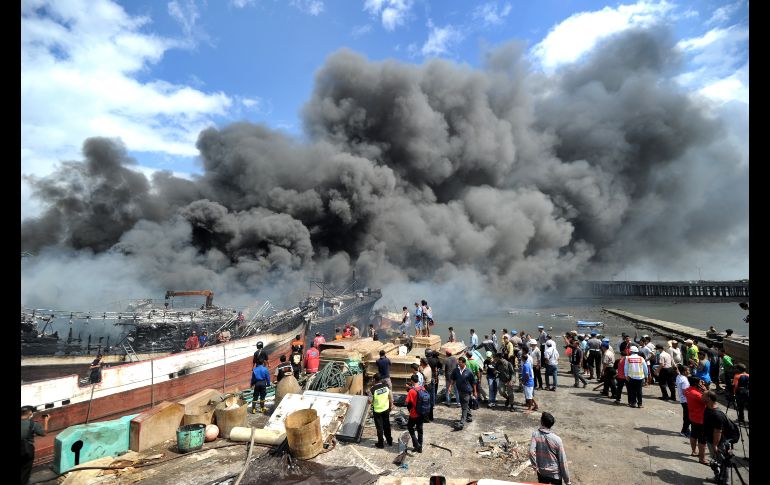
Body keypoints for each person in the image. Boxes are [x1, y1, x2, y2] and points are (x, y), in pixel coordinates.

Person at [529, 412, 572, 485]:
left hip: (542, 473)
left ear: (541, 422)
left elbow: (531, 452)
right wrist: (567, 481)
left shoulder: (535, 435)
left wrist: (535, 466)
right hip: (555, 474)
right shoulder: (557, 439)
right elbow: (562, 461)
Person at [683, 377, 708, 464]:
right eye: (701, 382)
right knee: (702, 439)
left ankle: (694, 451)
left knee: (694, 434)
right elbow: (708, 401)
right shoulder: (697, 394)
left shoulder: (687, 390)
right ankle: (702, 458)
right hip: (701, 418)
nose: (702, 384)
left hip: (692, 416)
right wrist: (705, 390)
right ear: (697, 383)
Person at [21, 406, 49, 485]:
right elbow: (44, 433)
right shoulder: (33, 424)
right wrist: (46, 420)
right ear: (30, 413)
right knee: (26, 469)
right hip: (27, 450)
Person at [450, 356, 477, 430]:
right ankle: (469, 416)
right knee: (464, 404)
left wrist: (475, 391)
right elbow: (453, 379)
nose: (459, 364)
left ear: (464, 363)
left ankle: (462, 422)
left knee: (464, 407)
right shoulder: (456, 370)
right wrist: (450, 387)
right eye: (458, 362)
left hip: (467, 391)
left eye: (460, 363)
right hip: (459, 391)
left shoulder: (469, 371)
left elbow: (474, 382)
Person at [703, 390, 732, 460]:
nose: (701, 396)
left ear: (709, 398)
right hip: (711, 439)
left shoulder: (717, 415)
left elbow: (718, 431)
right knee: (717, 463)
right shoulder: (708, 407)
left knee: (721, 463)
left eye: (703, 395)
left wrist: (715, 445)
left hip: (718, 443)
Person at [368, 374, 393, 448]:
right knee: (387, 426)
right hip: (386, 409)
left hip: (377, 411)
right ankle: (389, 441)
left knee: (379, 428)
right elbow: (390, 396)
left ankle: (381, 444)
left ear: (374, 380)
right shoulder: (386, 387)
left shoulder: (372, 389)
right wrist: (391, 405)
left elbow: (369, 401)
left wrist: (370, 401)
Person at [405, 374, 425, 452]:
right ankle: (420, 447)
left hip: (414, 413)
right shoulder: (423, 388)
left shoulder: (411, 391)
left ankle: (416, 444)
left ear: (412, 381)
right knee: (420, 429)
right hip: (422, 412)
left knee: (410, 427)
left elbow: (406, 402)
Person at [675, 364, 691, 437]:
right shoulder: (684, 380)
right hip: (686, 400)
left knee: (686, 416)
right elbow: (685, 392)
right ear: (684, 372)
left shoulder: (679, 376)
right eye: (688, 370)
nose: (689, 371)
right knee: (688, 417)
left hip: (682, 400)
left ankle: (686, 429)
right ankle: (684, 431)